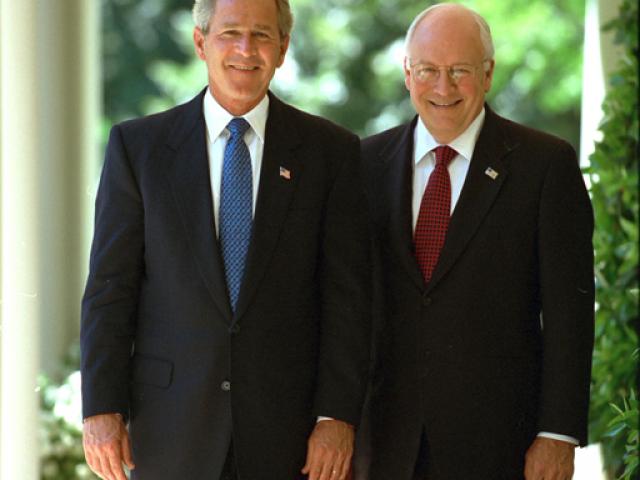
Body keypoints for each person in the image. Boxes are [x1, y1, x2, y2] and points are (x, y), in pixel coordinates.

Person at [80, 0, 371, 478]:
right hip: (170, 428)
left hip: (289, 435)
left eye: (262, 35)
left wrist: (335, 417)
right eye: (229, 33)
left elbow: (347, 301)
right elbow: (111, 290)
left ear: (283, 47)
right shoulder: (138, 149)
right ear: (200, 43)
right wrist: (101, 409)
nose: (245, 50)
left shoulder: (331, 152)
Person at [359, 4, 594, 480]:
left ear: (488, 74)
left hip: (501, 446)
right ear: (408, 74)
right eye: (428, 70)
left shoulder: (544, 166)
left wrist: (558, 434)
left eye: (460, 71)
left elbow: (570, 314)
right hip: (383, 442)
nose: (443, 88)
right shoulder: (364, 163)